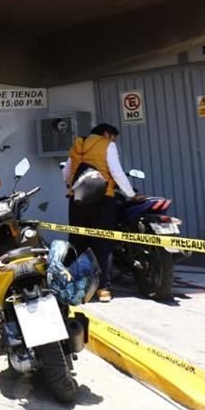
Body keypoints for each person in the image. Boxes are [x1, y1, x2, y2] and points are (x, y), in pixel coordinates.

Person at [62, 123, 140, 303]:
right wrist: (131, 194)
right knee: (102, 244)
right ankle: (103, 289)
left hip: (78, 200)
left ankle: (77, 288)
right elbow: (117, 172)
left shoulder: (77, 144)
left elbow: (66, 171)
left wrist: (70, 188)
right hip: (103, 199)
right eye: (113, 137)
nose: (113, 141)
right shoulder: (107, 144)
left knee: (77, 242)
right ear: (106, 134)